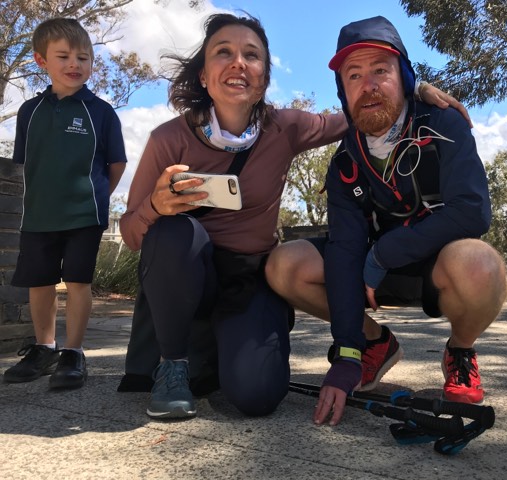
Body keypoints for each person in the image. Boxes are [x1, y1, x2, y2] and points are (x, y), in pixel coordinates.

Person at [117, 12, 469, 421]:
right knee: (175, 231)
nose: (238, 63)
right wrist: (154, 208)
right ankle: (173, 367)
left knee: (257, 396)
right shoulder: (168, 138)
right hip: (187, 269)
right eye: (223, 52)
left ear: (264, 77)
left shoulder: (284, 126)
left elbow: (359, 112)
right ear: (202, 74)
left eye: (252, 55)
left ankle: (226, 351)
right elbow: (130, 233)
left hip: (249, 279)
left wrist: (413, 88)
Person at [265, 16, 507, 426]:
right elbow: (344, 248)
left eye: (381, 69)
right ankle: (375, 342)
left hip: (429, 263)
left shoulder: (442, 122)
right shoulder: (345, 159)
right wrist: (346, 354)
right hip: (369, 273)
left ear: (405, 76)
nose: (368, 84)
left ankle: (461, 351)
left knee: (480, 264)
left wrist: (384, 254)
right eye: (354, 75)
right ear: (343, 90)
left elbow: (472, 211)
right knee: (283, 265)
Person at [3, 18, 127, 389]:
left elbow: (116, 164)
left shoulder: (102, 112)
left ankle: (73, 353)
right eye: (64, 56)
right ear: (42, 61)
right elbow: (25, 162)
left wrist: (96, 197)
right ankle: (44, 348)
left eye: (83, 57)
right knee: (39, 284)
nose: (75, 64)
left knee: (77, 282)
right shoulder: (29, 111)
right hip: (38, 217)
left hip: (84, 216)